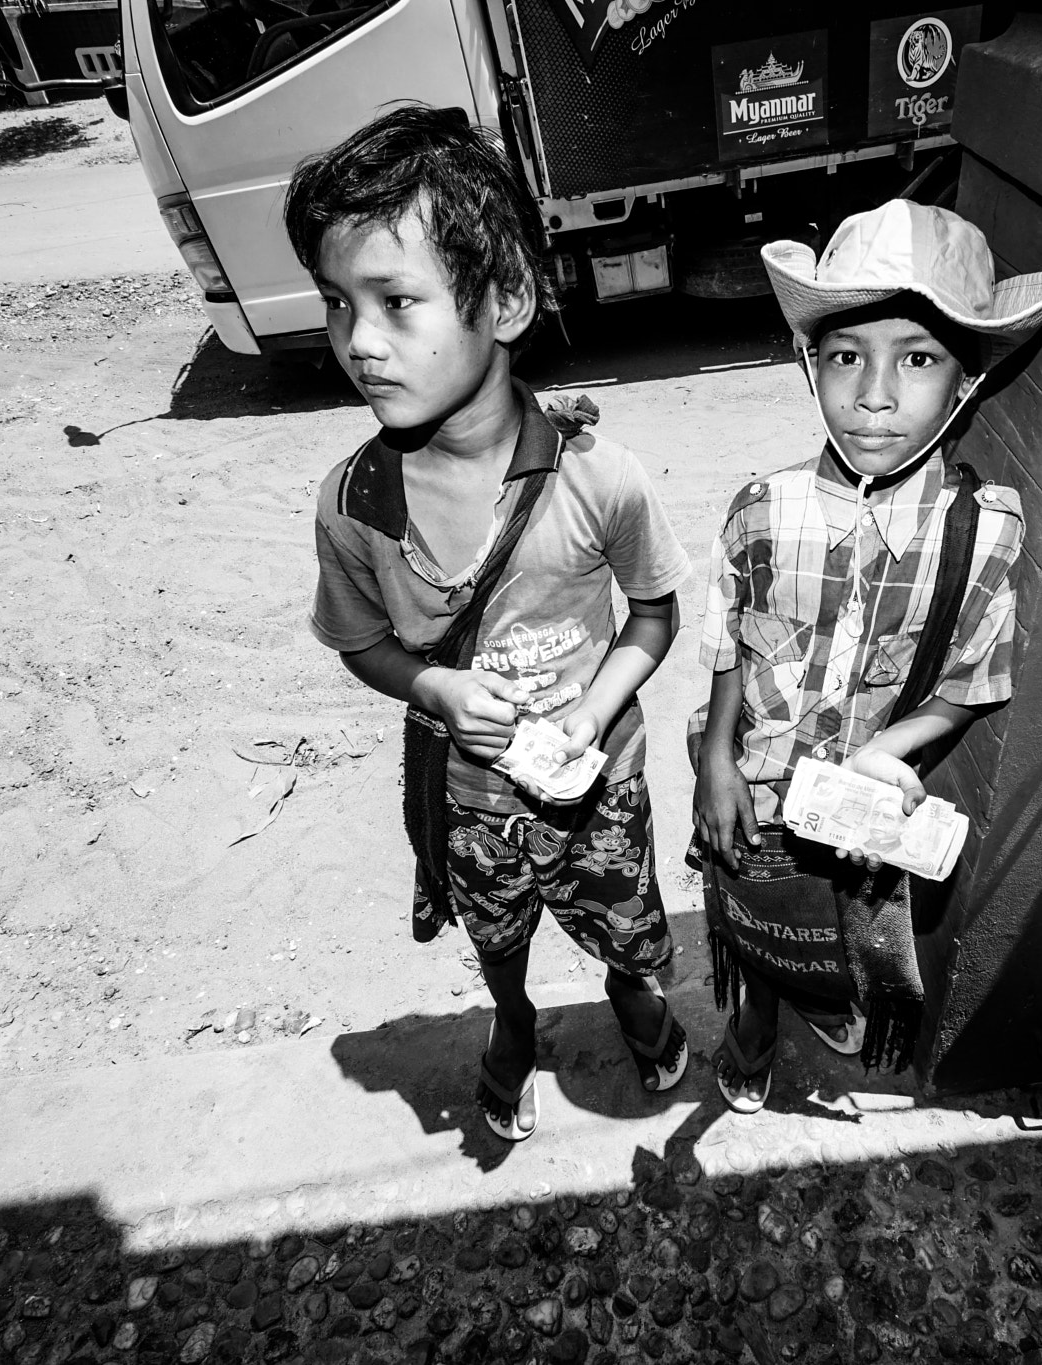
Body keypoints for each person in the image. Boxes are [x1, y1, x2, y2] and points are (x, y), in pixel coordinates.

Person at [287, 105, 695, 1141]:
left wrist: (594, 714)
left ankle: (630, 997)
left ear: (504, 298)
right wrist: (435, 688)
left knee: (622, 917)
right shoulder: (354, 504)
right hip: (468, 800)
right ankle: (509, 1021)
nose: (360, 343)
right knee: (494, 928)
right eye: (338, 306)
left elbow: (653, 614)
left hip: (594, 781)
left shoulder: (598, 476)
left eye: (395, 302)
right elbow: (363, 644)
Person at [689, 199, 1042, 1111]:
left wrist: (887, 752)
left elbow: (971, 683)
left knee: (831, 925)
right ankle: (752, 1019)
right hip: (759, 780)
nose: (875, 395)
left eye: (919, 358)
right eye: (848, 356)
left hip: (861, 808)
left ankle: (817, 990)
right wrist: (713, 760)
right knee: (747, 906)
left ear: (967, 380)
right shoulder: (761, 509)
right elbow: (728, 643)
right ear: (809, 363)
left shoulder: (984, 533)